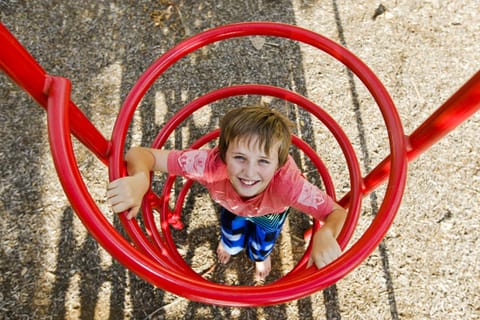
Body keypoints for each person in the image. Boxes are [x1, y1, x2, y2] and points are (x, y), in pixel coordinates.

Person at [107, 105, 347, 281]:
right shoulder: (209, 165)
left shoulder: (288, 184)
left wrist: (326, 232)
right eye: (239, 157)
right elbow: (141, 155)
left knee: (263, 242)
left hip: (270, 213)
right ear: (223, 154)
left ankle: (260, 257)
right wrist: (140, 178)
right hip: (231, 205)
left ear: (279, 165)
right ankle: (230, 245)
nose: (250, 172)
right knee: (230, 232)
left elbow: (335, 212)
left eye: (263, 161)